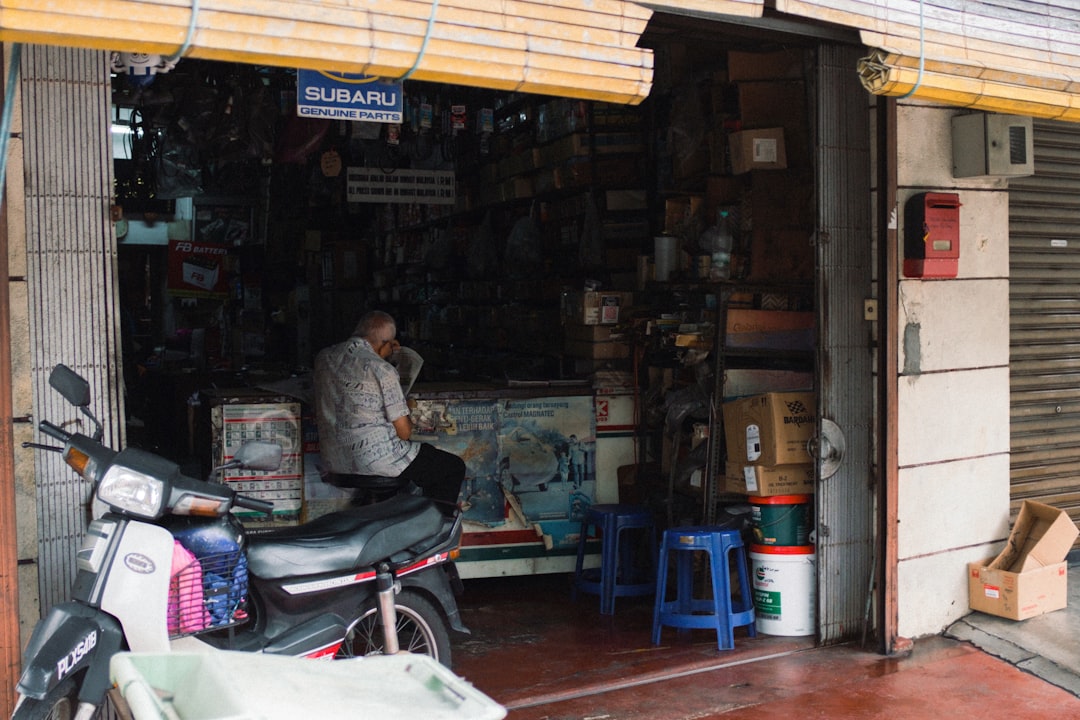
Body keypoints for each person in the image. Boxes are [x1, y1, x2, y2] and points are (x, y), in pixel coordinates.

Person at [314, 310, 465, 514]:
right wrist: (406, 408)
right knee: (451, 468)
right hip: (377, 460)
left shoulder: (324, 358)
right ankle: (432, 534)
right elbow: (404, 433)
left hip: (333, 461)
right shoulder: (380, 369)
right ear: (385, 344)